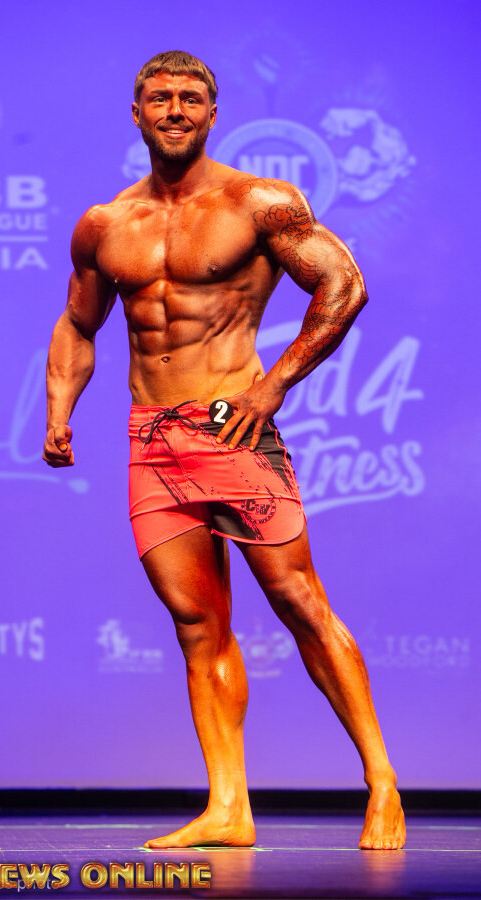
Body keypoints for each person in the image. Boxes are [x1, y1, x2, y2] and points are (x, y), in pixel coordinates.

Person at [43, 50, 406, 851]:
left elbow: (343, 285)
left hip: (231, 428)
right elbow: (78, 323)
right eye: (159, 97)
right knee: (196, 623)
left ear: (212, 113)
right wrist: (59, 412)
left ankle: (382, 782)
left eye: (190, 97)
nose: (174, 109)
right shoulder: (104, 224)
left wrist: (272, 386)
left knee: (299, 601)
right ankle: (229, 807)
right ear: (137, 114)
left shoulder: (257, 203)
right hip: (152, 439)